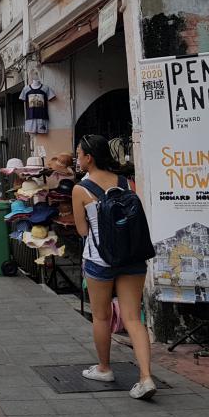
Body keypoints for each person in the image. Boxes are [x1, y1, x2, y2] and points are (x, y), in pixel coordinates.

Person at [72, 134, 156, 400]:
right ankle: (146, 377)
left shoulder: (80, 189)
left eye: (79, 154)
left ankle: (104, 368)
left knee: (102, 316)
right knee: (132, 317)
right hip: (132, 257)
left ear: (89, 157)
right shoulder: (126, 183)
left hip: (100, 260)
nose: (77, 159)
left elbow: (82, 229)